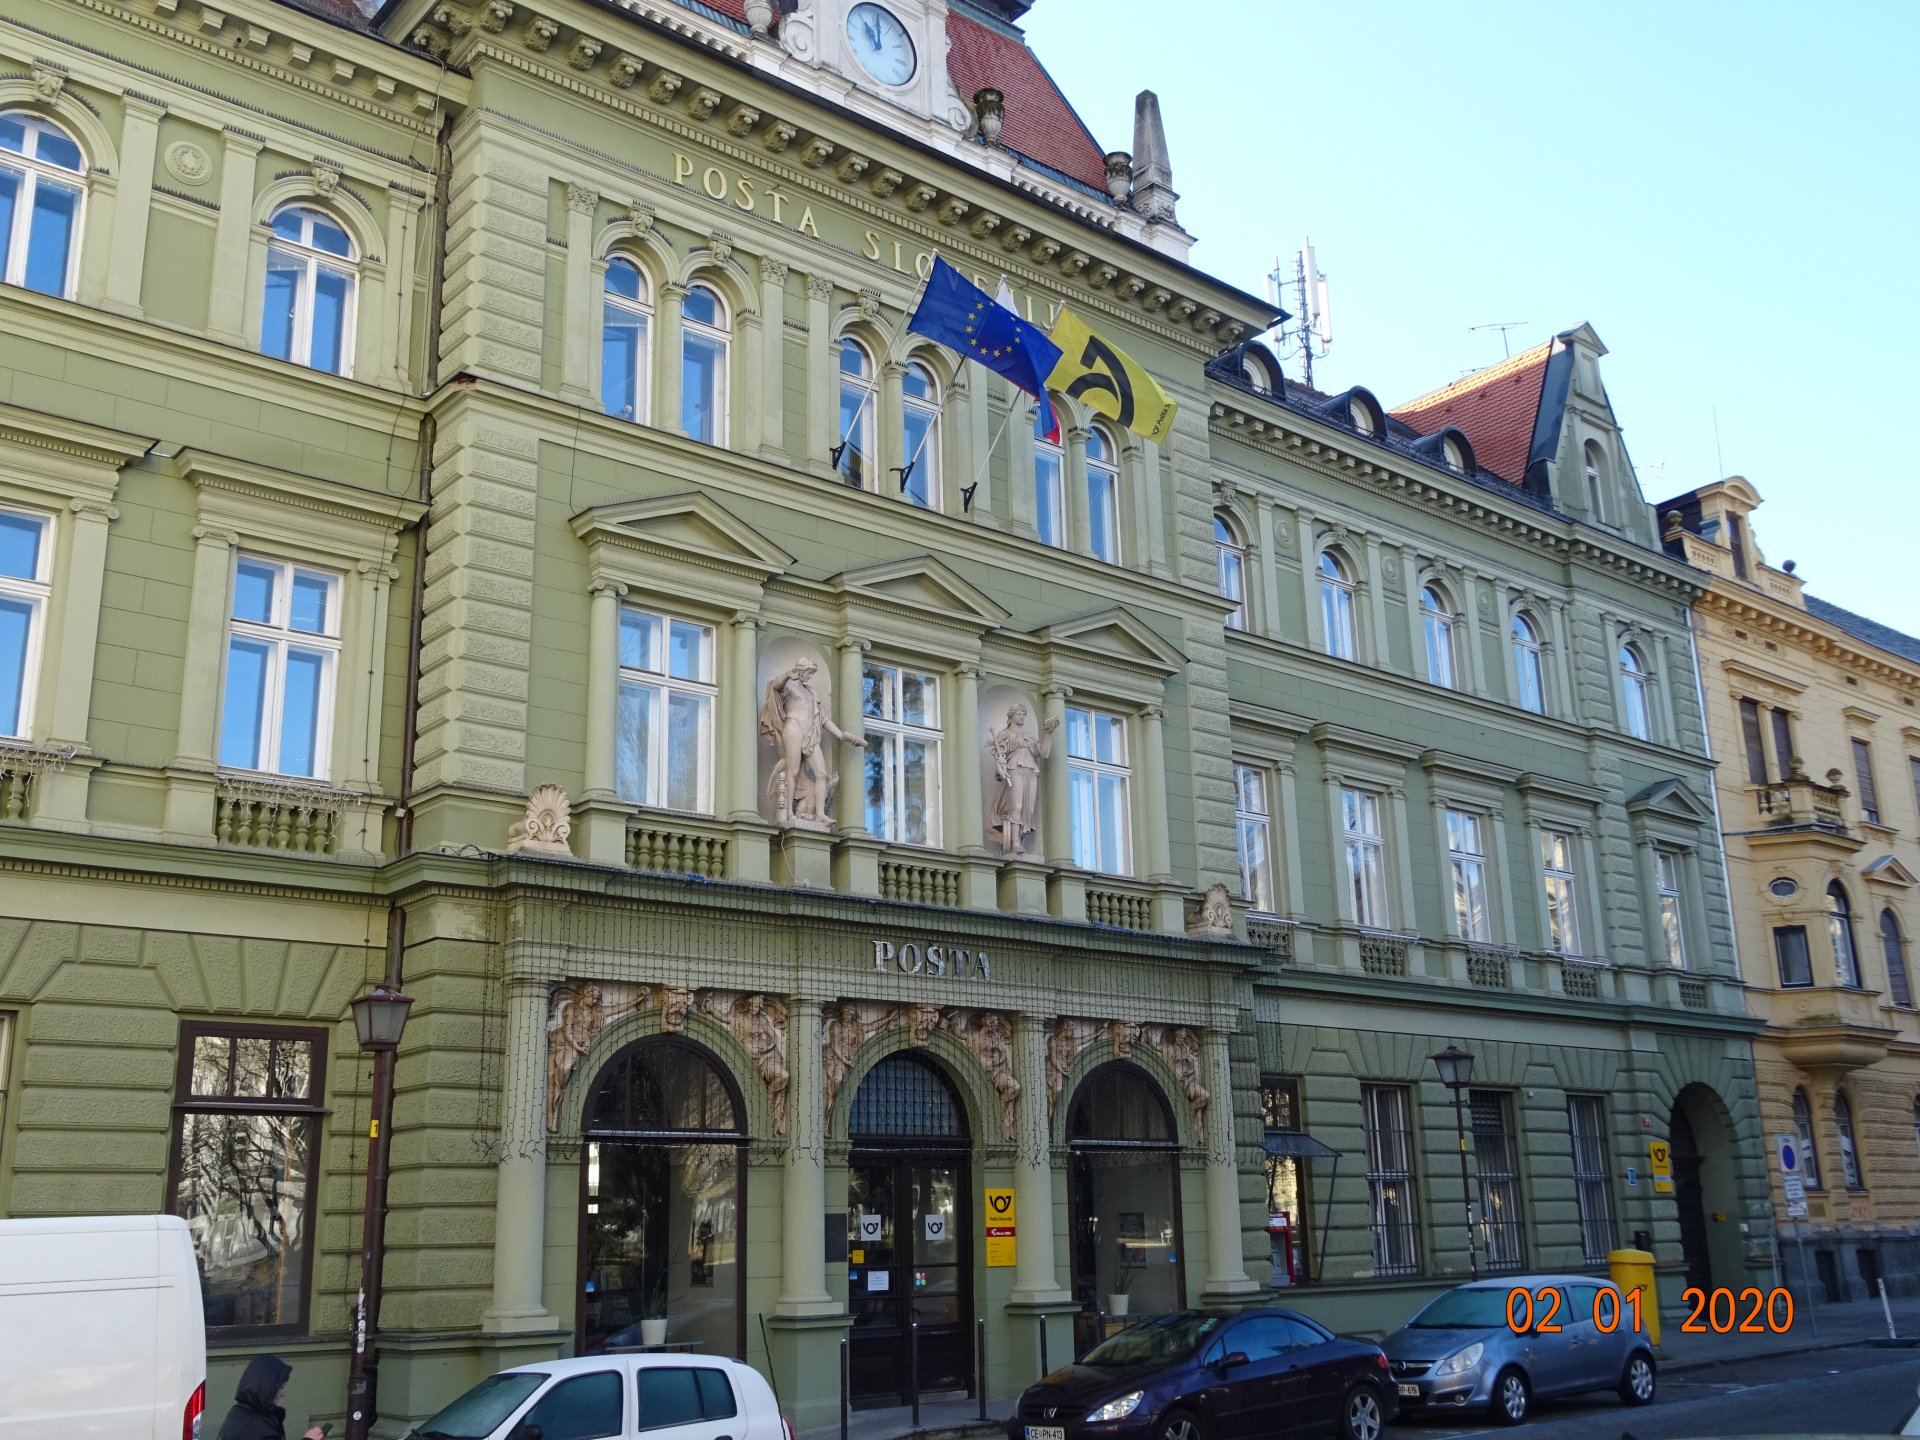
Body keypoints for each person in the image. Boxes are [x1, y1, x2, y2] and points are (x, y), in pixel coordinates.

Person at [216, 1355, 327, 1440]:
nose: (283, 1393)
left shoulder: (239, 1412)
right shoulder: (260, 1429)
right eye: (281, 1387)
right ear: (267, 1388)